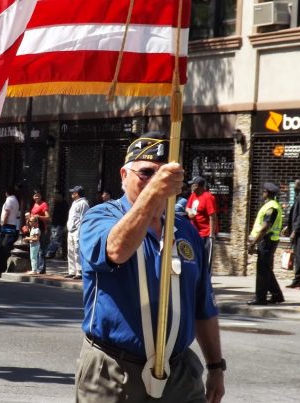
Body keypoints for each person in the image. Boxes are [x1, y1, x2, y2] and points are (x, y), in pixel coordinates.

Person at [76, 132, 225, 402]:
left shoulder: (186, 231)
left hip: (179, 372)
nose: (156, 182)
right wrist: (153, 194)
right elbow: (115, 250)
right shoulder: (101, 216)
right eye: (146, 173)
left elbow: (204, 305)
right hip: (114, 370)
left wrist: (216, 366)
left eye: (165, 175)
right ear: (124, 175)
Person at [246, 182, 286, 305]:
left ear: (267, 193)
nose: (262, 193)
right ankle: (277, 295)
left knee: (262, 270)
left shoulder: (271, 207)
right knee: (266, 269)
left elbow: (265, 227)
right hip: (268, 240)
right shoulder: (272, 205)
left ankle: (260, 298)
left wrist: (253, 243)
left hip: (267, 241)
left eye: (263, 191)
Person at [186, 176, 218, 268]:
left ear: (198, 186)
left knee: (206, 261)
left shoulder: (208, 197)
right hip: (195, 233)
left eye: (193, 185)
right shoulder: (193, 195)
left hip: (206, 234)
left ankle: (206, 280)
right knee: (195, 259)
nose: (191, 187)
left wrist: (211, 235)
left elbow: (212, 216)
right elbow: (188, 207)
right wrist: (189, 212)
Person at [65, 185, 90, 280]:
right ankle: (72, 271)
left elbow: (83, 219)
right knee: (70, 251)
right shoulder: (74, 203)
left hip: (77, 231)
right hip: (71, 230)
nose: (72, 193)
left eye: (74, 192)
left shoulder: (83, 203)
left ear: (77, 193)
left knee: (77, 251)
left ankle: (79, 271)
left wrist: (80, 231)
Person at [28, 190, 50, 273]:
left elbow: (48, 217)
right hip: (34, 228)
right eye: (35, 196)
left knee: (41, 248)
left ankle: (41, 268)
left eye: (38, 195)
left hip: (41, 228)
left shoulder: (44, 204)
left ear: (41, 196)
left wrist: (39, 216)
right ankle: (35, 267)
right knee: (35, 248)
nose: (36, 197)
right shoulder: (34, 204)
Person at [45, 193, 68, 259]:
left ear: (60, 196)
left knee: (55, 238)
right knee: (55, 239)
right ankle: (58, 254)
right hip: (55, 224)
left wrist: (63, 224)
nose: (55, 197)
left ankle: (50, 252)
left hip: (59, 224)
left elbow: (63, 216)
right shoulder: (56, 204)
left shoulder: (64, 204)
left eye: (57, 196)